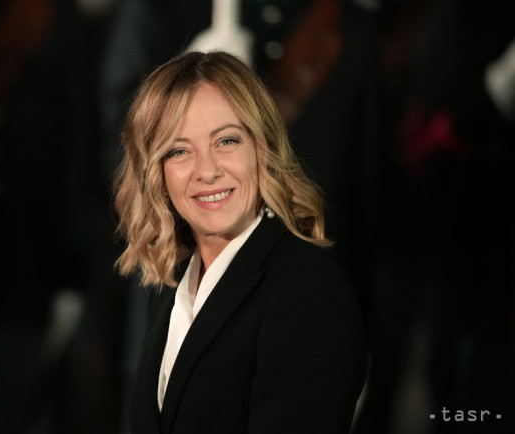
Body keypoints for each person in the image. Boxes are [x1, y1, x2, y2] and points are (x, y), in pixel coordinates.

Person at [112, 50, 367, 433]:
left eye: (226, 141)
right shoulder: (172, 285)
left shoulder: (307, 290)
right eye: (179, 151)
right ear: (156, 174)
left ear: (262, 148)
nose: (207, 171)